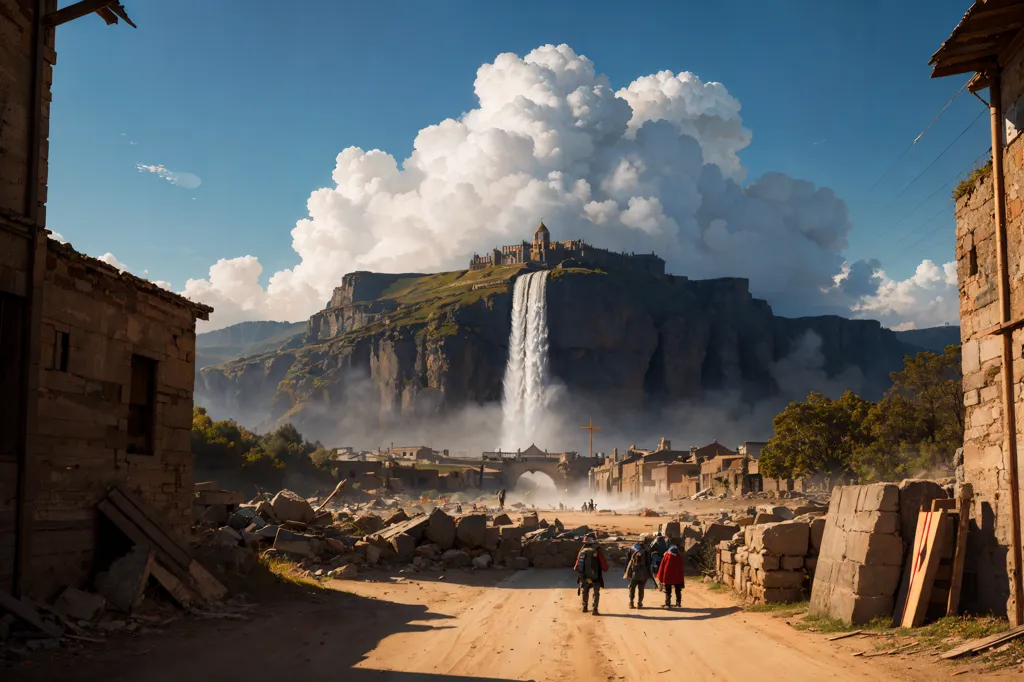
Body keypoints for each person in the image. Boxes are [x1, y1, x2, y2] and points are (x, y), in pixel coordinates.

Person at [574, 534, 608, 615]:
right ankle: (595, 609)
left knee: (585, 592)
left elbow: (576, 567)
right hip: (596, 577)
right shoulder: (597, 551)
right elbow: (604, 567)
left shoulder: (581, 552)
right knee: (596, 593)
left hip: (584, 577)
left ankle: (584, 607)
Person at [623, 534, 653, 609]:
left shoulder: (632, 548)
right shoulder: (647, 550)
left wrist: (626, 571)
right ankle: (639, 603)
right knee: (641, 588)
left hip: (634, 572)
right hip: (643, 572)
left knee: (632, 587)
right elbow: (649, 562)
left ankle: (631, 602)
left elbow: (628, 561)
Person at [655, 544, 686, 609]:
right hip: (677, 576)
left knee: (668, 590)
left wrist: (660, 576)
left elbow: (662, 566)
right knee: (678, 590)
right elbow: (681, 568)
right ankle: (678, 604)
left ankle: (668, 603)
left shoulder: (667, 555)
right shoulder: (679, 556)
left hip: (668, 576)